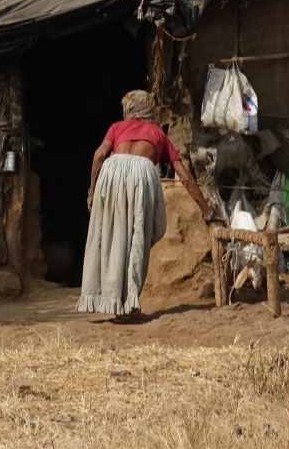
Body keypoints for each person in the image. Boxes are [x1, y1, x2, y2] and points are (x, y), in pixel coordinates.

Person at [78, 89, 217, 322]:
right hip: (142, 175)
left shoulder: (116, 128)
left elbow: (100, 154)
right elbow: (183, 174)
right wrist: (207, 210)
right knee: (136, 240)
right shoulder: (158, 134)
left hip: (111, 174)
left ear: (130, 110)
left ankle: (106, 298)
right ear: (149, 111)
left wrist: (92, 191)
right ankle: (129, 305)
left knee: (111, 237)